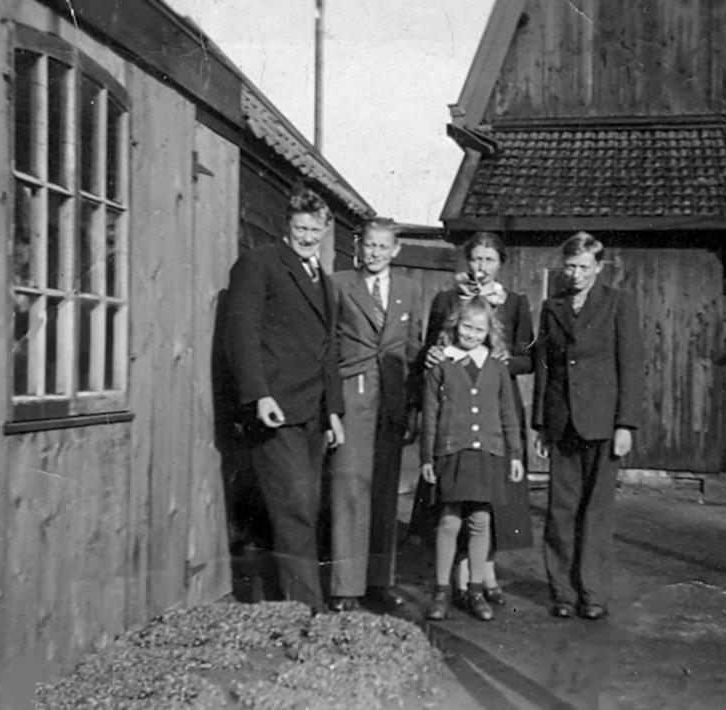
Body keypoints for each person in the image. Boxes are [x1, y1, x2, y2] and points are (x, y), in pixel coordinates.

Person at [224, 186, 345, 613]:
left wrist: (333, 411)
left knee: (306, 507)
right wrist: (257, 394)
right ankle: (308, 608)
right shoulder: (260, 264)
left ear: (326, 230)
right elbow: (242, 332)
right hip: (275, 410)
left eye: (315, 229)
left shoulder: (325, 282)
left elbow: (327, 350)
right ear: (286, 225)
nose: (308, 236)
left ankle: (294, 600)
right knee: (295, 508)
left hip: (312, 412)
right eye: (300, 227)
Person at [410, 231, 534, 609]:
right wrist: (433, 356)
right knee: (453, 503)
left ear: (500, 264)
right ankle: (452, 582)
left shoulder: (514, 302)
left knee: (490, 501)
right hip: (455, 406)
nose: (481, 267)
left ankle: (484, 575)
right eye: (476, 259)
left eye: (489, 260)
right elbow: (432, 346)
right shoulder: (447, 299)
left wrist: (499, 360)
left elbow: (527, 357)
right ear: (467, 261)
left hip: (496, 401)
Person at [532, 231, 644, 621]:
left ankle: (592, 592)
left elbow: (631, 366)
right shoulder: (552, 307)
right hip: (562, 422)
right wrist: (541, 424)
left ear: (598, 267)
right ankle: (562, 591)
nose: (576, 274)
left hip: (602, 423)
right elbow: (545, 367)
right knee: (560, 511)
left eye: (584, 267)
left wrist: (625, 424)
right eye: (570, 266)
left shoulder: (618, 304)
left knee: (596, 512)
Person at [327, 217, 423, 612]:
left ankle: (379, 583)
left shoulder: (410, 290)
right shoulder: (338, 284)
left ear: (395, 250)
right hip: (354, 395)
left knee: (385, 494)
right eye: (370, 245)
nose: (375, 253)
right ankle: (345, 586)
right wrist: (331, 407)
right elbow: (328, 347)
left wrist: (413, 406)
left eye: (383, 247)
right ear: (358, 245)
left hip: (393, 400)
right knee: (349, 488)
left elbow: (414, 349)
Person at [420, 296, 524, 622]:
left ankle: (476, 590)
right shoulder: (440, 365)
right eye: (466, 326)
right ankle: (441, 592)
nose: (472, 334)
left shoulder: (496, 367)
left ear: (489, 332)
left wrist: (515, 453)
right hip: (452, 451)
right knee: (449, 521)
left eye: (480, 329)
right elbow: (431, 416)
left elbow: (509, 413)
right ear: (455, 325)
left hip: (487, 453)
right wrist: (427, 457)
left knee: (481, 520)